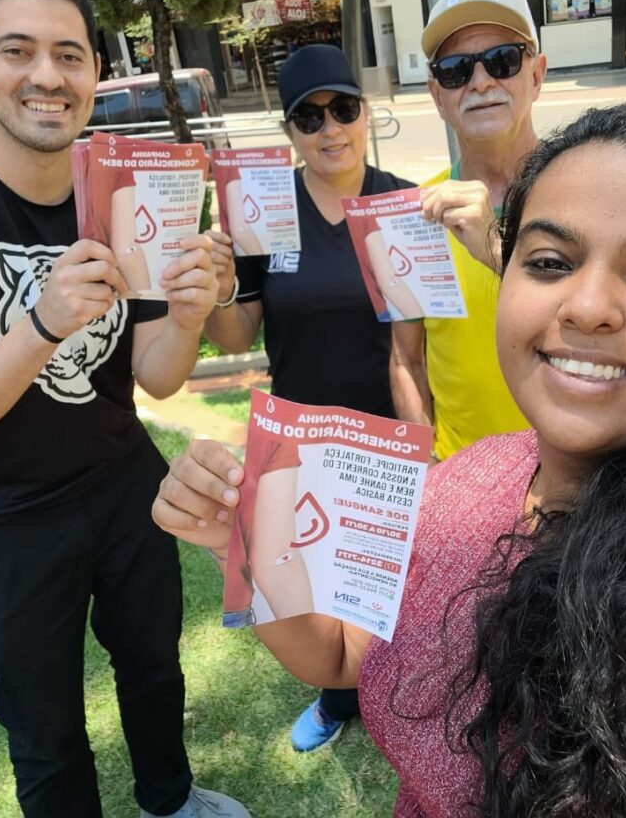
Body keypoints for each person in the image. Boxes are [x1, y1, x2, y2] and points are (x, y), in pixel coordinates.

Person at [154, 99, 626, 818]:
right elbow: (346, 655)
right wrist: (249, 546)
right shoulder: (470, 479)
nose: (587, 306)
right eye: (550, 261)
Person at [0, 0, 249, 818]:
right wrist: (39, 325)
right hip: (6, 514)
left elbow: (153, 373)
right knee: (45, 727)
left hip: (121, 482)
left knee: (153, 666)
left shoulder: (118, 186)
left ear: (94, 70)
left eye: (69, 55)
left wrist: (188, 308)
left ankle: (170, 801)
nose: (45, 76)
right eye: (19, 50)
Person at [203, 44, 414, 751]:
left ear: (365, 111)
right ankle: (336, 702)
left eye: (343, 109)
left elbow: (425, 344)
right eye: (309, 116)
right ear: (289, 130)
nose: (331, 129)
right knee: (316, 588)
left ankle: (406, 700)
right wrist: (215, 285)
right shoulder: (265, 210)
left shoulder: (402, 202)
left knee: (395, 592)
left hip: (389, 439)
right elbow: (235, 334)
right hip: (299, 439)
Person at [391, 0, 544, 463]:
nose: (481, 82)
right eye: (456, 71)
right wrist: (427, 465)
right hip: (463, 484)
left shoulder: (587, 194)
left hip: (582, 488)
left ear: (537, 75)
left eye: (503, 61)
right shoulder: (413, 214)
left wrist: (496, 247)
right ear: (438, 96)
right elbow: (406, 358)